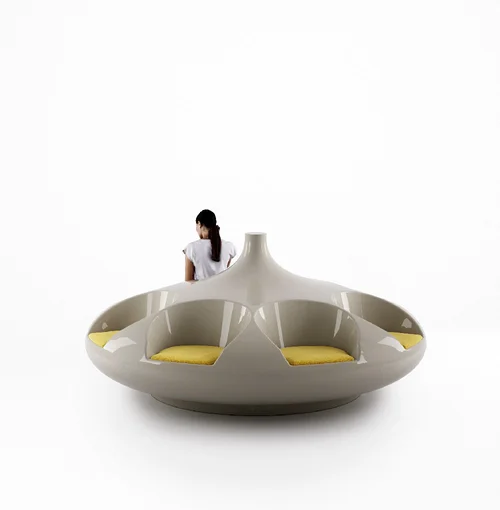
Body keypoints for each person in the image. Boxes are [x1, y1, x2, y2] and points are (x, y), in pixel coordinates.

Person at [183, 209, 236, 282]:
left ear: (199, 224)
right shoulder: (229, 247)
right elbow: (223, 272)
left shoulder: (191, 248)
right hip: (223, 288)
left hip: (201, 289)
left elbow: (188, 282)